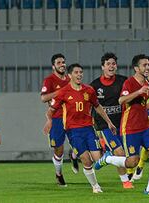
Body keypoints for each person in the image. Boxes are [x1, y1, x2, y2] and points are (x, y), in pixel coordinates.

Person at [94, 54, 149, 195]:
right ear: (136, 68)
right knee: (132, 162)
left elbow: (145, 105)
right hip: (131, 128)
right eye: (145, 65)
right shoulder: (129, 83)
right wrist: (138, 92)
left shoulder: (146, 84)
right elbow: (121, 100)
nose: (148, 68)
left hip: (145, 127)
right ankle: (108, 158)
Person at [43, 63, 116, 193]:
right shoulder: (63, 92)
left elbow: (98, 107)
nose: (79, 75)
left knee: (98, 159)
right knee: (86, 161)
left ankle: (94, 155)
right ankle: (95, 186)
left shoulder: (89, 90)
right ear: (70, 75)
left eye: (81, 72)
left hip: (88, 128)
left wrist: (109, 122)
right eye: (76, 72)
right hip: (73, 131)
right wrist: (49, 121)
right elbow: (51, 110)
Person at [90, 53, 132, 189]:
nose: (111, 66)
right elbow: (89, 105)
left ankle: (107, 156)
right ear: (103, 67)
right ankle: (125, 182)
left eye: (113, 64)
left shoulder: (123, 81)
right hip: (105, 125)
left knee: (129, 155)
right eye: (108, 64)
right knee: (120, 153)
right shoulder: (95, 86)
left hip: (123, 123)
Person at [40, 53, 79, 187]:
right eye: (59, 63)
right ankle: (59, 175)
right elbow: (44, 98)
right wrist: (61, 92)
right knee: (58, 149)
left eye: (63, 62)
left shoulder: (70, 78)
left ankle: (74, 156)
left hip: (72, 117)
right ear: (53, 66)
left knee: (80, 145)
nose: (62, 65)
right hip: (57, 118)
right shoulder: (49, 80)